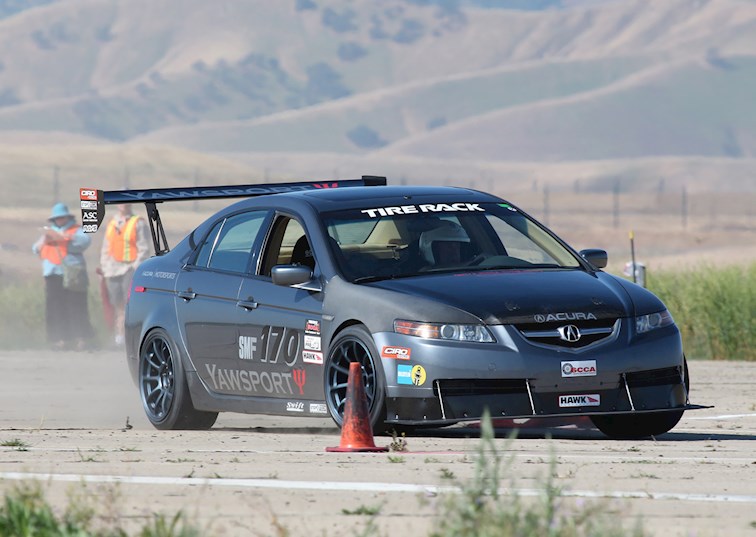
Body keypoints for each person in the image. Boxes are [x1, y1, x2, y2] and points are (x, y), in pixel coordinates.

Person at [32, 202, 94, 350]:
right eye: (57, 218)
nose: (59, 220)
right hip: (53, 274)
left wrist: (65, 237)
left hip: (72, 273)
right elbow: (35, 249)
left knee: (76, 305)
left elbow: (85, 241)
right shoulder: (49, 232)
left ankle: (81, 339)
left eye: (62, 217)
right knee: (55, 307)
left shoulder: (76, 230)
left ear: (68, 217)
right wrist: (46, 240)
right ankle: (60, 340)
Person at [99, 204, 150, 346]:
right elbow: (106, 247)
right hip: (112, 269)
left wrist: (136, 267)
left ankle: (126, 336)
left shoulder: (138, 222)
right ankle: (119, 335)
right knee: (117, 304)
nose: (123, 205)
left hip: (129, 268)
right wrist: (104, 266)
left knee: (128, 303)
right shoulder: (112, 223)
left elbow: (143, 247)